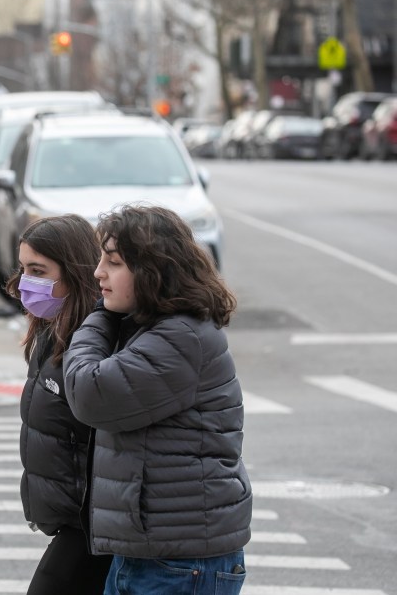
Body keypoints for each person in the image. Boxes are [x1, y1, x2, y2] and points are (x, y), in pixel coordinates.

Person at [63, 204, 252, 595]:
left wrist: (100, 316)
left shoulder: (180, 337)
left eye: (112, 263)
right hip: (155, 552)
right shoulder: (155, 329)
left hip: (182, 563)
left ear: (153, 271)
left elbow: (90, 392)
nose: (98, 273)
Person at [5, 215, 113, 594]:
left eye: (38, 270)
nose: (25, 282)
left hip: (93, 528)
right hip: (73, 523)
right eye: (23, 269)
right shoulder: (51, 333)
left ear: (75, 272)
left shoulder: (94, 343)